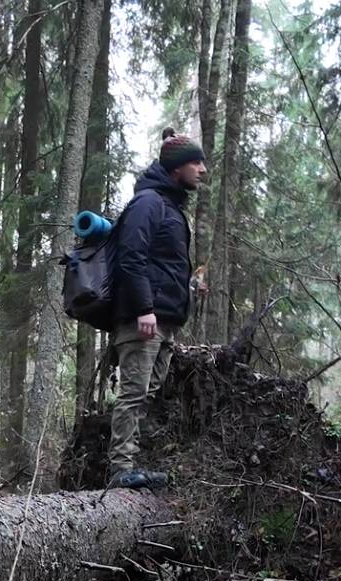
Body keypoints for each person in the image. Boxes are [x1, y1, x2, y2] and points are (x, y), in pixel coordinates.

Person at [106, 129, 209, 489]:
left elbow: (161, 266)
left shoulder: (170, 207)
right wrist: (144, 308)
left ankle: (133, 465)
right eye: (196, 162)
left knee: (147, 392)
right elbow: (130, 259)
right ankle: (120, 469)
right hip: (142, 319)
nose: (203, 169)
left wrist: (190, 287)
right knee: (133, 392)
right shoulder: (148, 203)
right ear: (177, 167)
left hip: (164, 320)